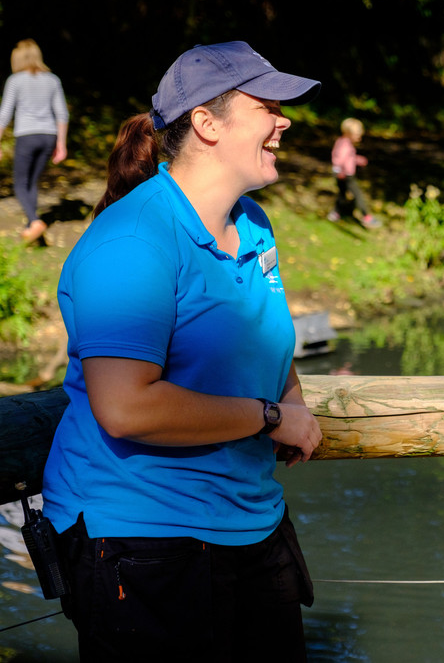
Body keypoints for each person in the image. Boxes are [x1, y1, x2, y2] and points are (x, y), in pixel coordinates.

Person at [41, 41, 324, 662]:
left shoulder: (253, 223)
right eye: (268, 105)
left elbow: (261, 334)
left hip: (251, 525)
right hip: (142, 543)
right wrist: (272, 417)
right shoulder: (134, 241)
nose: (286, 120)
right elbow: (126, 408)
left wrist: (292, 399)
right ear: (207, 123)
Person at [0, 39, 69, 243]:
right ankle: (32, 225)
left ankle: (34, 221)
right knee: (32, 182)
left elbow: (4, 114)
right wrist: (62, 144)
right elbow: (62, 114)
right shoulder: (52, 80)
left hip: (26, 136)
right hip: (48, 137)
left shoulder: (16, 80)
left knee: (20, 183)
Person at [328, 116, 379, 227]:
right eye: (357, 135)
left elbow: (347, 158)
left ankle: (335, 213)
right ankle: (366, 216)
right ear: (348, 133)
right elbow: (340, 159)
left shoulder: (343, 142)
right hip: (345, 175)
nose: (359, 138)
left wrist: (357, 159)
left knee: (342, 194)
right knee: (357, 194)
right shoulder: (345, 145)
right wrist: (339, 171)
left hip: (343, 173)